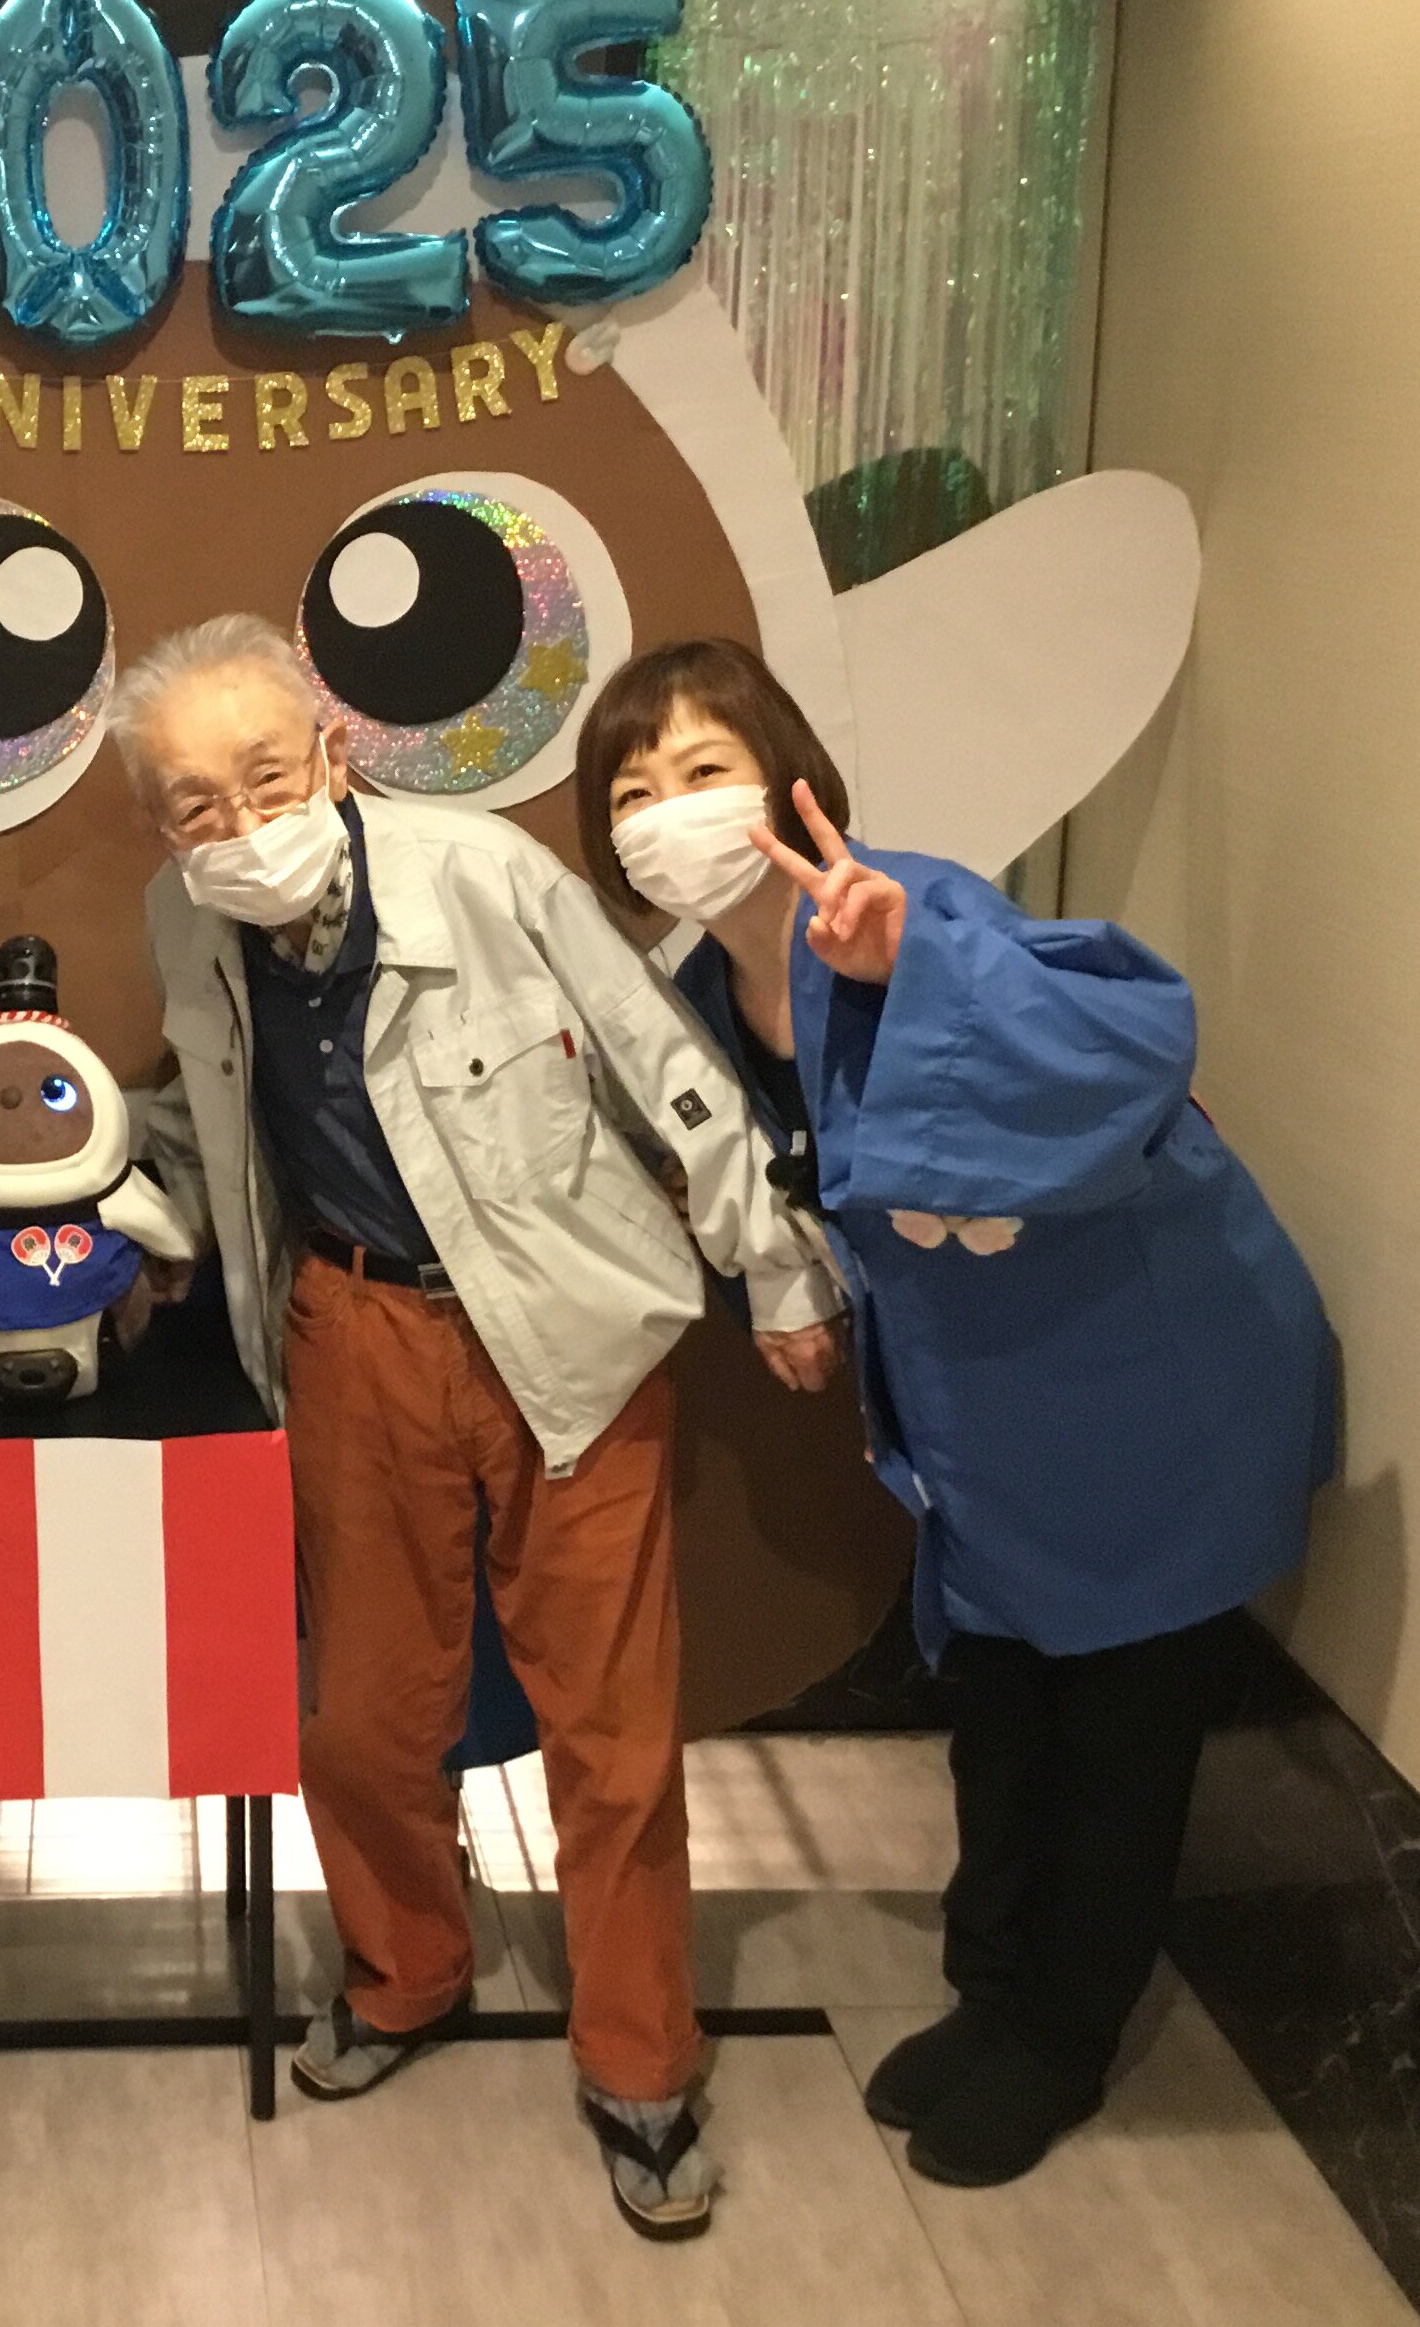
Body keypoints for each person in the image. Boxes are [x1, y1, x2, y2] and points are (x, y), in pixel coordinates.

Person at [111, 616, 845, 2241]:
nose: (239, 826)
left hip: (566, 1323)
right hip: (351, 1330)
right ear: (158, 828)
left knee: (613, 1731)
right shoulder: (183, 918)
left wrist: (778, 1268)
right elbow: (206, 1109)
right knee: (365, 1715)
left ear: (333, 753)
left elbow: (664, 1065)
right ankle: (406, 1970)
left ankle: (641, 2063)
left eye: (265, 779)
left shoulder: (485, 872)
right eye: (194, 805)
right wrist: (144, 1219)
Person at [575, 636, 1333, 2188]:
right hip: (986, 1423)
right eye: (633, 792)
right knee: (1002, 1718)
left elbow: (1131, 1048)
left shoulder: (911, 910)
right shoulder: (703, 999)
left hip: (1146, 1389)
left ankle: (1063, 2036)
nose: (667, 813)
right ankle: (993, 1993)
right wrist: (785, 1294)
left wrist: (914, 969)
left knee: (1117, 1737)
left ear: (789, 782)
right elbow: (777, 1187)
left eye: (704, 770)